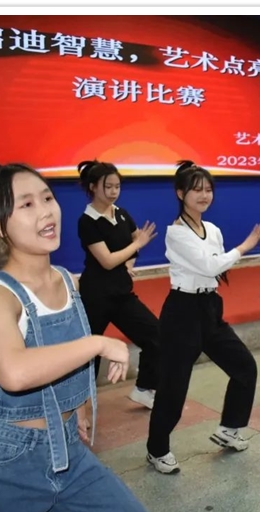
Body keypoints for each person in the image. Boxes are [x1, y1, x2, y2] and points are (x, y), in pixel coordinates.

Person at [0, 163, 153, 512]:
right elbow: (14, 373)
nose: (46, 211)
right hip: (6, 461)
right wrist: (97, 344)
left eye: (47, 198)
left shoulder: (66, 280)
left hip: (67, 450)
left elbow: (65, 353)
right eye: (27, 204)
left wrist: (78, 404)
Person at [146, 161, 260, 474]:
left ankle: (229, 428)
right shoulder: (176, 233)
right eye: (196, 189)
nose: (204, 195)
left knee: (244, 367)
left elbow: (216, 267)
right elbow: (211, 265)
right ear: (180, 193)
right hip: (182, 312)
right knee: (173, 387)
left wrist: (225, 259)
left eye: (208, 189)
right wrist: (245, 247)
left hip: (209, 308)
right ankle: (157, 449)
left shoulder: (213, 230)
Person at [76, 159, 160, 409]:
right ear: (93, 187)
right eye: (108, 187)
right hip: (95, 296)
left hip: (122, 293)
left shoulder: (121, 213)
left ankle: (144, 388)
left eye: (117, 186)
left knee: (156, 335)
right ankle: (81, 406)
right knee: (89, 352)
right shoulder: (87, 221)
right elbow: (108, 261)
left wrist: (131, 261)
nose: (113, 192)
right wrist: (136, 246)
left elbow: (135, 239)